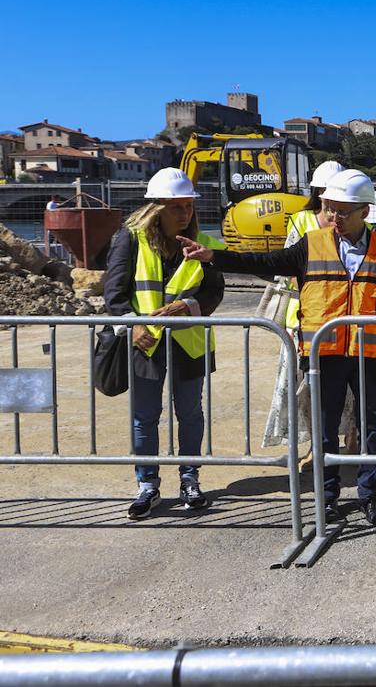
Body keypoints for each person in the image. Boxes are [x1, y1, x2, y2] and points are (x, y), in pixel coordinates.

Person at [180, 169, 376, 526]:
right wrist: (214, 256)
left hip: (369, 354)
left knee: (369, 428)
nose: (334, 217)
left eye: (343, 211)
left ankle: (368, 495)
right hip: (324, 354)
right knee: (325, 428)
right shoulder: (311, 243)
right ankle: (328, 498)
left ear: (365, 211)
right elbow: (265, 263)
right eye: (330, 209)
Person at [102, 168, 225, 519]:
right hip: (146, 343)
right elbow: (115, 293)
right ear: (156, 208)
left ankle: (190, 479)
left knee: (189, 414)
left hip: (190, 343)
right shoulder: (130, 238)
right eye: (176, 207)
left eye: (188, 206)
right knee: (145, 416)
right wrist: (132, 325)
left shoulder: (205, 242)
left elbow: (214, 290)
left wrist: (187, 306)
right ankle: (148, 485)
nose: (184, 213)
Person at [261, 159, 353, 449]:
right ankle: (317, 443)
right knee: (304, 387)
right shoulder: (301, 221)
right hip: (303, 319)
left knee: (348, 387)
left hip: (342, 316)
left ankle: (352, 433)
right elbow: (285, 270)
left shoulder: (351, 221)